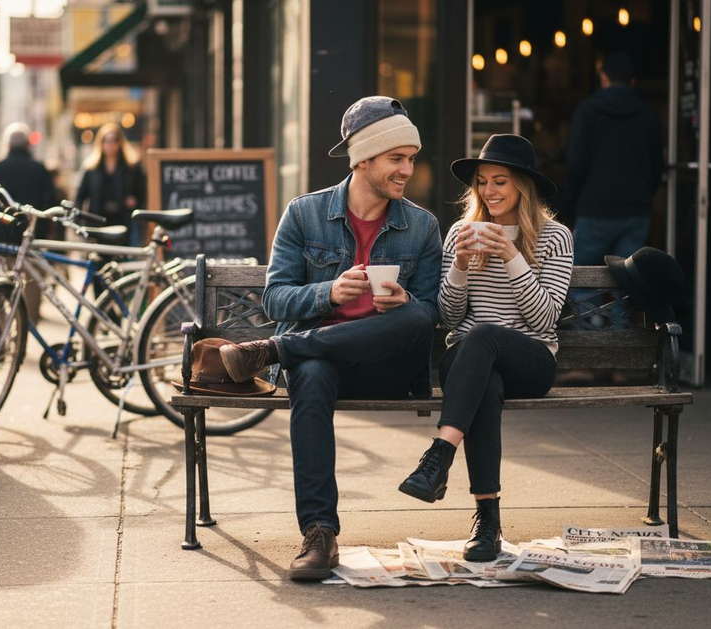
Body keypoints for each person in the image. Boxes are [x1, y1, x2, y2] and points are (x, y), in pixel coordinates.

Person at [216, 96, 443, 581]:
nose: (408, 169)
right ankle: (320, 533)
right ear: (363, 159)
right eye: (396, 158)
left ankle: (276, 350)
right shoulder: (305, 214)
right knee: (313, 373)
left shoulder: (421, 226)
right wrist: (329, 293)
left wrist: (404, 304)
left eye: (411, 158)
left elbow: (430, 313)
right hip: (328, 363)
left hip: (390, 369)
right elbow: (275, 299)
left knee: (417, 320)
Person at [398, 134, 573, 562]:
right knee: (484, 379)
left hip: (530, 360)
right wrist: (458, 266)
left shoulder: (554, 237)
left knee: (485, 336)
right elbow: (451, 319)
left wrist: (513, 256)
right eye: (482, 182)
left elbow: (544, 319)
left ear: (522, 188)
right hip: (471, 362)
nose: (489, 192)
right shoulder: (461, 232)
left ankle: (441, 453)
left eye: (500, 182)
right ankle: (487, 522)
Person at [563, 52, 663, 265]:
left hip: (594, 209)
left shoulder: (587, 111)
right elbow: (657, 166)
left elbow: (575, 165)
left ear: (603, 77)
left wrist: (568, 208)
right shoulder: (648, 114)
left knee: (581, 280)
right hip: (635, 211)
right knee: (628, 283)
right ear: (632, 81)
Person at [0, 122, 60, 322]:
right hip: (32, 238)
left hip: (2, 238)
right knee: (31, 286)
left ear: (7, 144)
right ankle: (27, 325)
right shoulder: (39, 169)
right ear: (28, 145)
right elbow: (50, 202)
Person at [75, 121, 146, 246]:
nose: (110, 145)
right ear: (100, 143)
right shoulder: (91, 169)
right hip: (98, 221)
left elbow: (143, 193)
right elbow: (80, 197)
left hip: (123, 222)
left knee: (122, 258)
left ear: (120, 143)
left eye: (114, 140)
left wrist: (134, 201)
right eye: (106, 141)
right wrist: (80, 224)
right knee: (99, 260)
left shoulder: (132, 167)